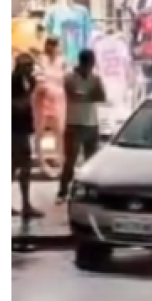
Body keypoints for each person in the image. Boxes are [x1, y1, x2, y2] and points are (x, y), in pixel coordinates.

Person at [57, 49, 106, 202]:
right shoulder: (69, 78)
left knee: (91, 160)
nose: (92, 67)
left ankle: (89, 192)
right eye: (91, 63)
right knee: (70, 160)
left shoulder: (95, 78)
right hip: (74, 123)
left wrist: (85, 96)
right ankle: (63, 191)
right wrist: (89, 95)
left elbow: (101, 96)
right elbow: (74, 95)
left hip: (92, 123)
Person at [12, 53, 41, 220]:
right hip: (16, 129)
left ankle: (25, 203)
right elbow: (17, 105)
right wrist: (29, 94)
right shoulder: (14, 81)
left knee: (17, 166)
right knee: (23, 165)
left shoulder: (26, 81)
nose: (31, 69)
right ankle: (25, 205)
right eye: (28, 66)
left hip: (22, 128)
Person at [33, 35, 66, 174]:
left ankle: (60, 160)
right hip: (42, 99)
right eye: (58, 46)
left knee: (59, 131)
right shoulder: (41, 60)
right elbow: (38, 76)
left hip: (58, 99)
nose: (60, 48)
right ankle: (41, 162)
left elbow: (66, 77)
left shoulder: (62, 61)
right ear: (51, 46)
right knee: (40, 131)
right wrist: (42, 85)